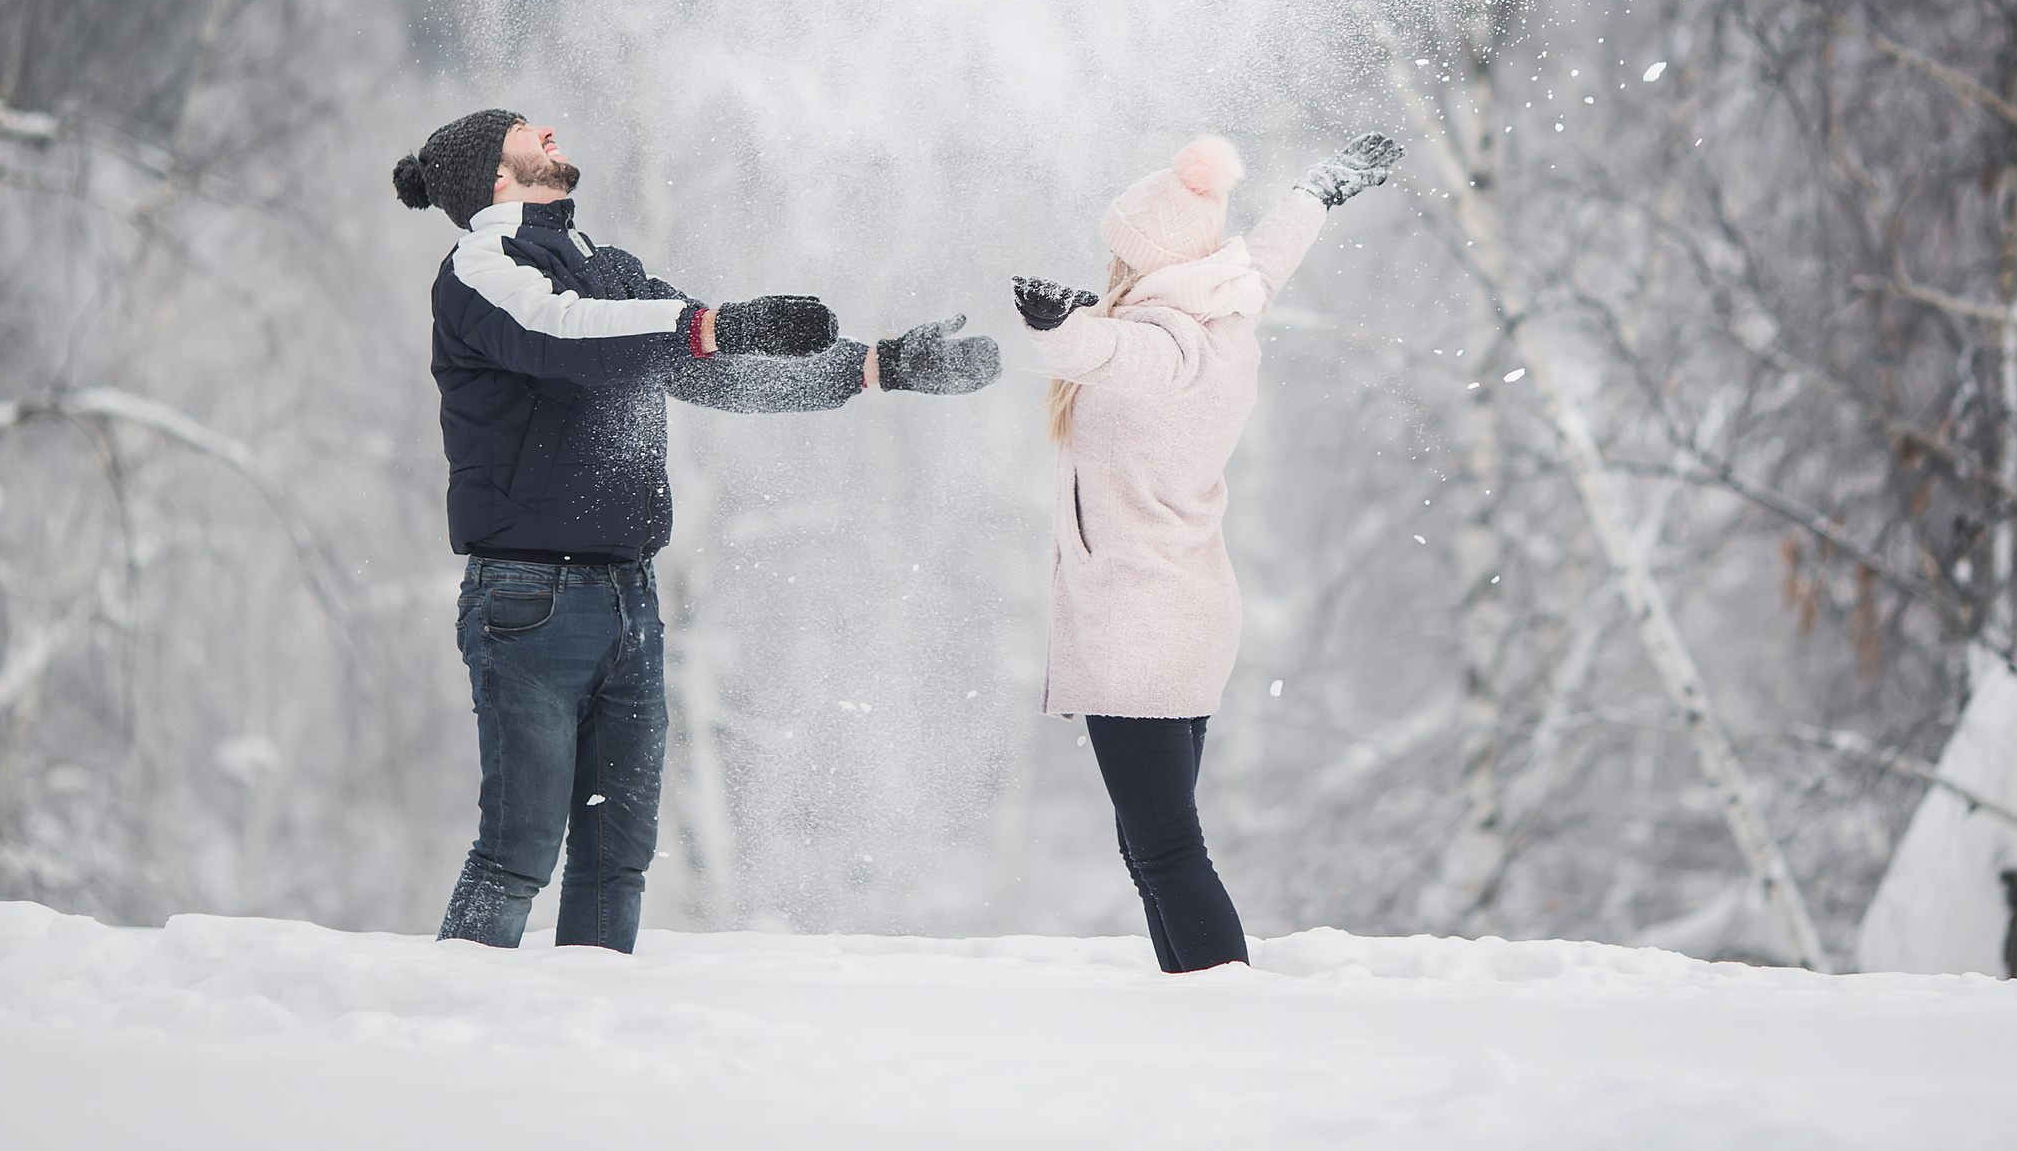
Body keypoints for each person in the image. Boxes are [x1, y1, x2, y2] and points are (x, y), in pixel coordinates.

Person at [391, 109, 999, 953]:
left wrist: (879, 365)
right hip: (530, 601)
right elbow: (563, 332)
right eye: (530, 132)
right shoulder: (483, 269)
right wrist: (712, 323)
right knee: (518, 853)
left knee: (616, 855)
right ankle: (443, 1036)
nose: (553, 132)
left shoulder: (605, 269)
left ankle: (584, 1037)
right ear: (496, 175)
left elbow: (716, 368)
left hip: (626, 599)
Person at [1011, 130, 1402, 972]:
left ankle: (1222, 1005)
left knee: (1167, 852)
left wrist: (1056, 326)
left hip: (1137, 630)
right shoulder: (1224, 311)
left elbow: (1103, 351)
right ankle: (1195, 1003)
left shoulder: (1166, 344)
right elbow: (1266, 258)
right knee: (1154, 849)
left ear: (1141, 259)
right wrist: (1316, 193)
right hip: (1182, 618)